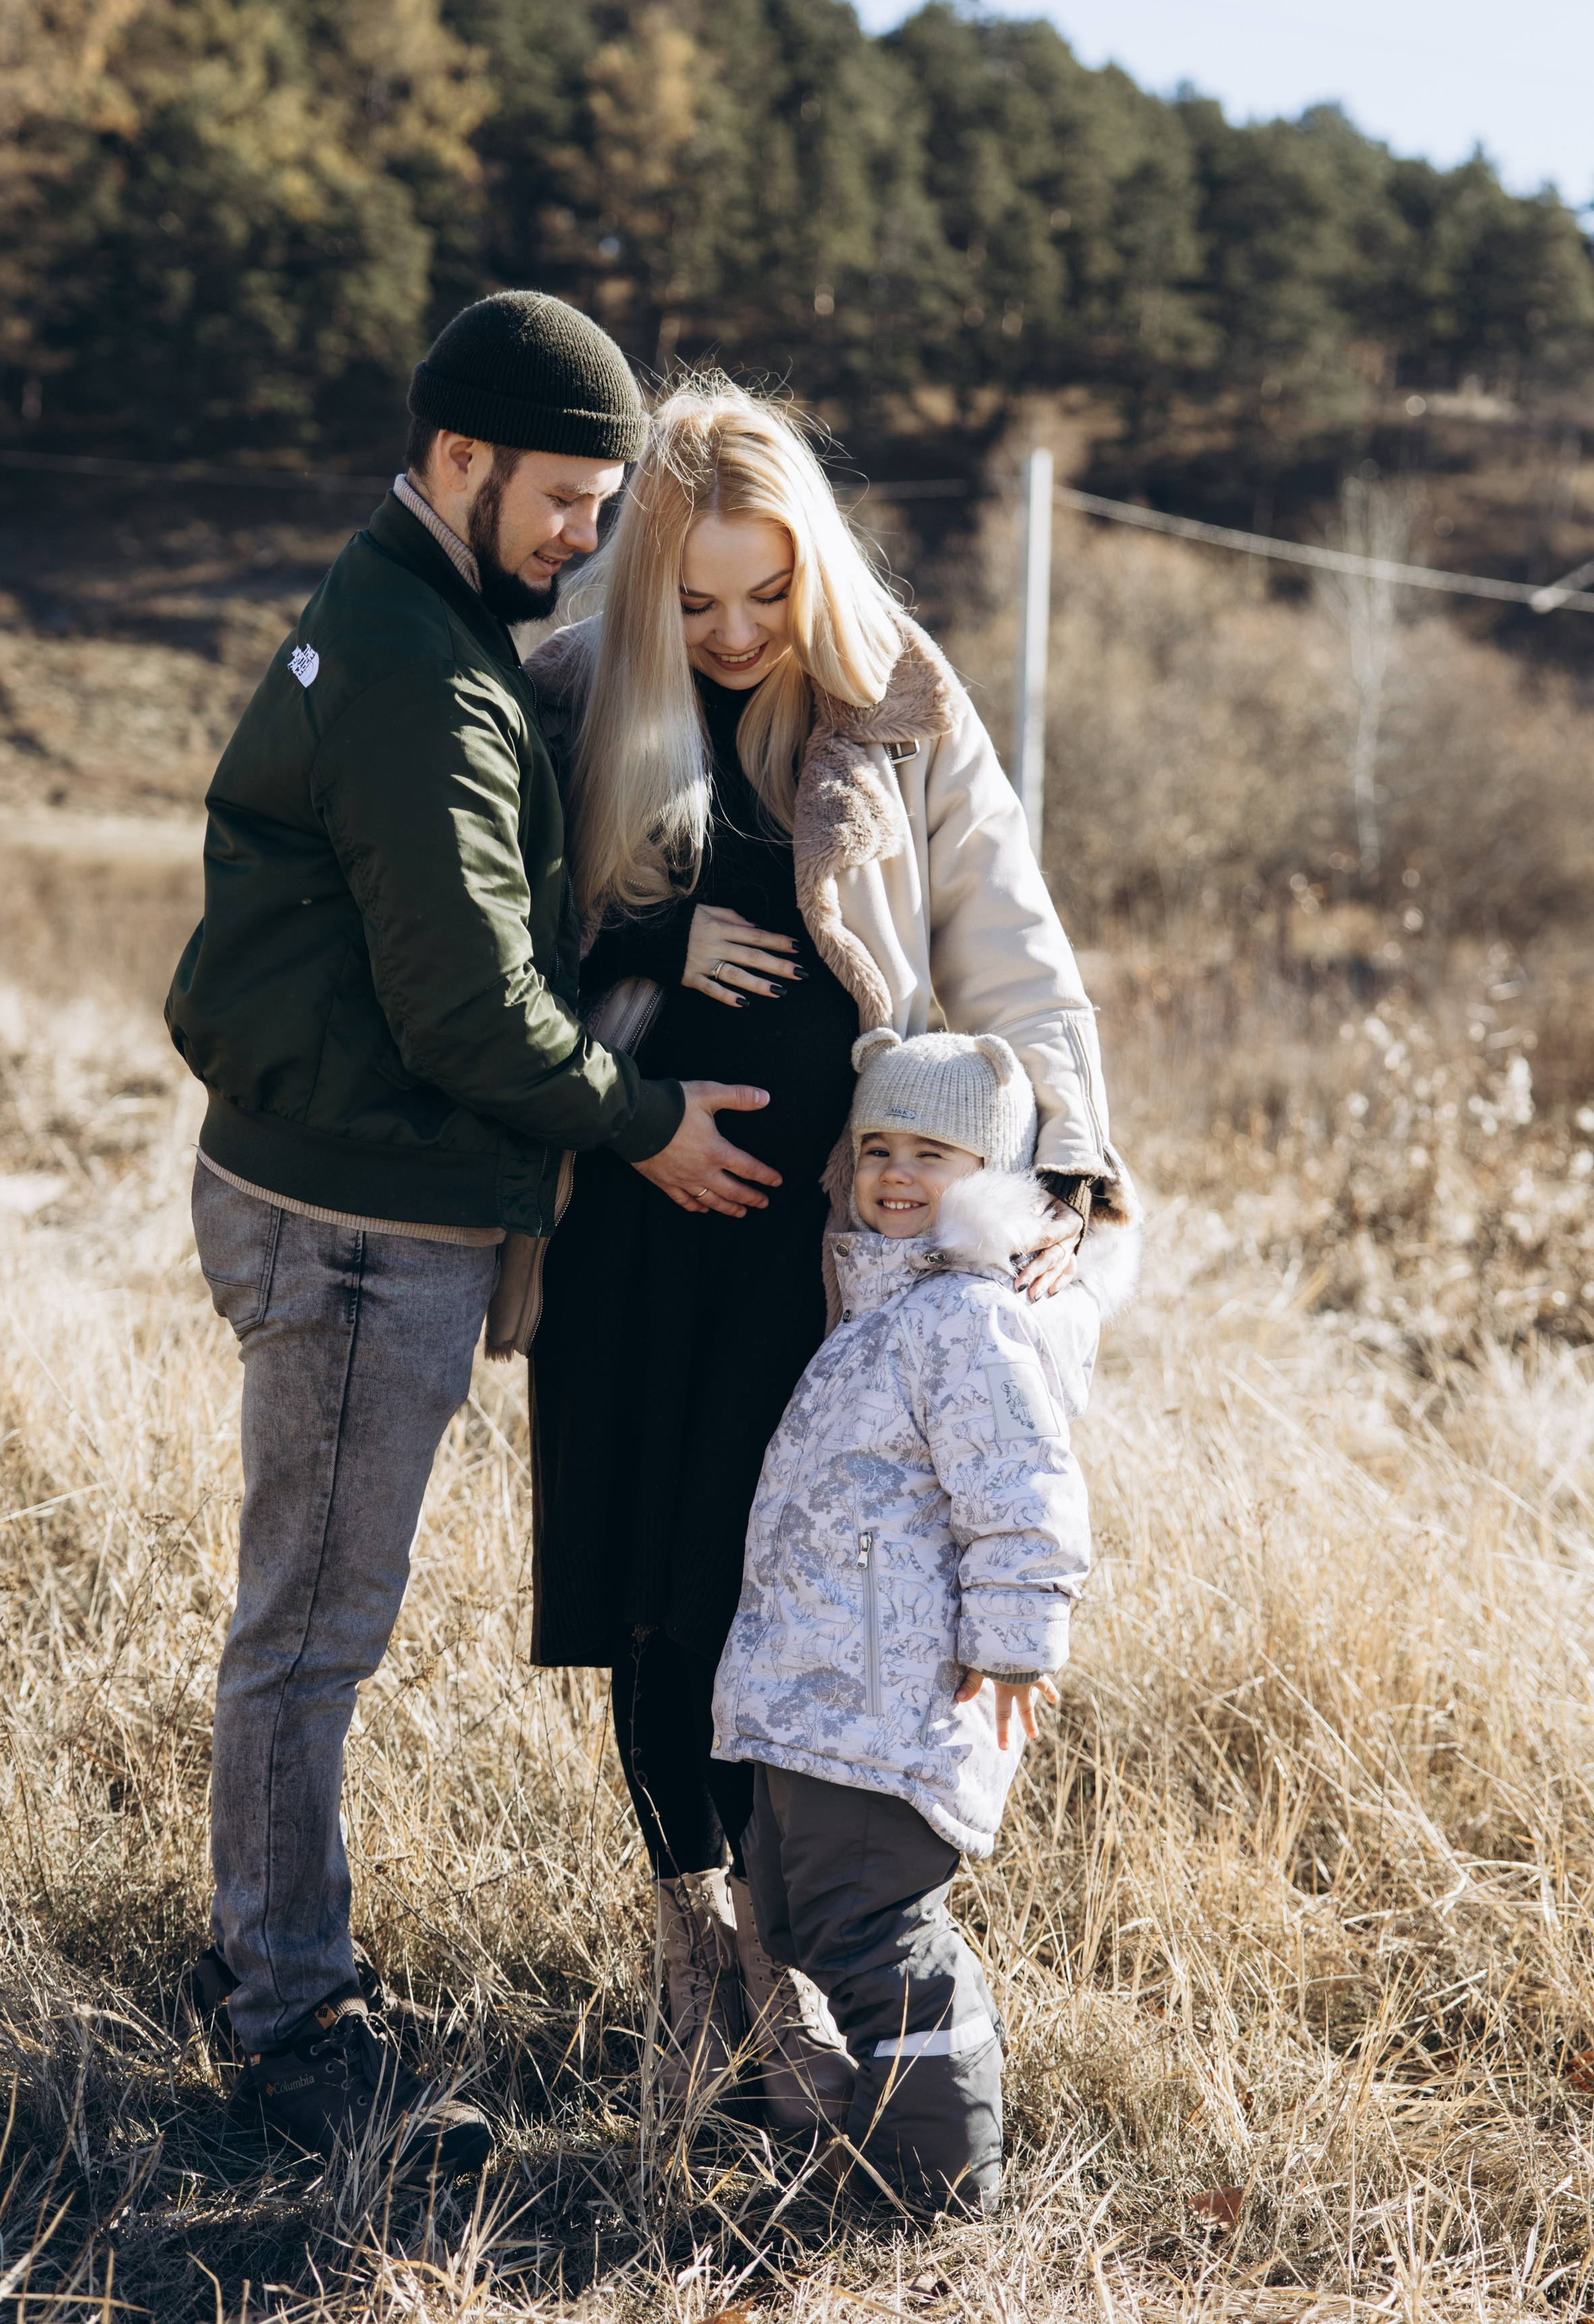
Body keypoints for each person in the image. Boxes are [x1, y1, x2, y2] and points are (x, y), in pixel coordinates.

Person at [164, 295, 783, 2171]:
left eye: (603, 506)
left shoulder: (408, 614)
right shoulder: (427, 677)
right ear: (460, 459)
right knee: (311, 1639)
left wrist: (649, 948)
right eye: (567, 501)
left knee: (305, 1623)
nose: (586, 539)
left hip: (340, 1187)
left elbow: (469, 925)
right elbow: (468, 1016)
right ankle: (287, 2028)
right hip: (356, 1226)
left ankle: (270, 1961)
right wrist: (652, 1119)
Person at [521, 379, 1132, 2129]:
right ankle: (691, 1960)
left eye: (760, 596)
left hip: (832, 1259)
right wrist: (646, 936)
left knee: (783, 1596)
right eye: (690, 602)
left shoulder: (900, 701)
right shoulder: (573, 691)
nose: (727, 635)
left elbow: (1017, 964)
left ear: (816, 570)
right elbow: (490, 951)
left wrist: (1064, 1184)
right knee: (649, 1591)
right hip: (636, 1226)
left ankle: (808, 1958)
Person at [713, 1029, 1138, 2210]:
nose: (898, 1173)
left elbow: (1024, 1497)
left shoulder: (968, 1317)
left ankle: (938, 2190)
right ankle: (888, 2142)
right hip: (819, 1703)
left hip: (897, 1705)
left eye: (935, 1153)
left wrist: (1014, 1646)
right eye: (877, 1147)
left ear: (994, 1177)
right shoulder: (878, 1309)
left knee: (875, 1938)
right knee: (810, 1923)